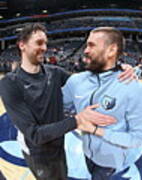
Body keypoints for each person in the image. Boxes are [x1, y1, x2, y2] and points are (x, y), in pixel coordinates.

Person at [0, 23, 134, 180]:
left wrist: (117, 69)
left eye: (45, 43)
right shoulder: (10, 83)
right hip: (38, 154)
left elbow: (88, 83)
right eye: (39, 43)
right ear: (22, 45)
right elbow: (34, 135)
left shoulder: (54, 73)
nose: (44, 48)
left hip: (57, 145)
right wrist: (77, 120)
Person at [63, 27, 142, 180]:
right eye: (86, 45)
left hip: (110, 160)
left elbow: (137, 138)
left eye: (91, 45)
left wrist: (97, 131)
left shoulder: (133, 88)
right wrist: (77, 117)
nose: (86, 50)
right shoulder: (76, 81)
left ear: (111, 50)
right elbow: (56, 109)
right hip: (87, 152)